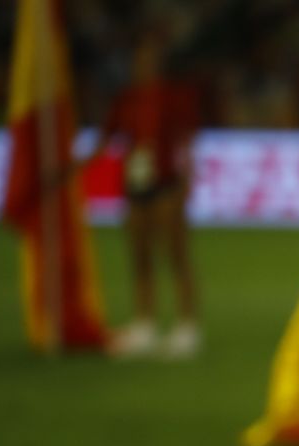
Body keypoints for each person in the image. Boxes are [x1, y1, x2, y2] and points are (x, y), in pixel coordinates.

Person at [90, 26, 201, 360]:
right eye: (140, 58)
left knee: (176, 253)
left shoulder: (174, 97)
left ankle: (187, 325)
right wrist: (75, 167)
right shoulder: (126, 100)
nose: (144, 64)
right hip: (135, 184)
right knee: (139, 255)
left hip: (166, 183)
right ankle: (145, 323)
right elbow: (108, 140)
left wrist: (187, 181)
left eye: (150, 58)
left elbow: (188, 140)